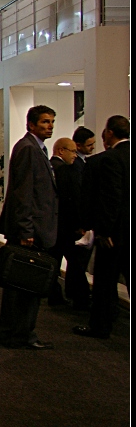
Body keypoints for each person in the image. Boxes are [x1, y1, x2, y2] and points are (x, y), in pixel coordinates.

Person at [0, 105, 58, 350]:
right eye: (44, 122)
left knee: (24, 285)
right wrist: (26, 230)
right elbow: (23, 193)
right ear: (31, 124)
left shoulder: (36, 149)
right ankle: (18, 334)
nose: (49, 126)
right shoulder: (28, 149)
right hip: (29, 231)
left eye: (51, 122)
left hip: (34, 228)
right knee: (23, 285)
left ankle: (17, 332)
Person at [74, 115, 130, 339]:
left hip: (115, 233)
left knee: (105, 281)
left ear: (109, 133)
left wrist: (104, 230)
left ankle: (101, 325)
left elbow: (111, 198)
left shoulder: (108, 160)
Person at [63, 126, 97, 309]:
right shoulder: (76, 167)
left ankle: (75, 293)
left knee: (76, 262)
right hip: (77, 224)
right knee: (77, 262)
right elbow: (78, 196)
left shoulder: (81, 164)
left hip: (78, 222)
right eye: (89, 145)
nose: (93, 148)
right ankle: (79, 296)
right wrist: (81, 223)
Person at [47, 137, 80, 306]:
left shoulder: (49, 166)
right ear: (61, 150)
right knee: (74, 261)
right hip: (64, 226)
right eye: (73, 151)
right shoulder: (64, 171)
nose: (75, 155)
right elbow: (69, 200)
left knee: (54, 260)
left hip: (53, 224)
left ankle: (54, 294)